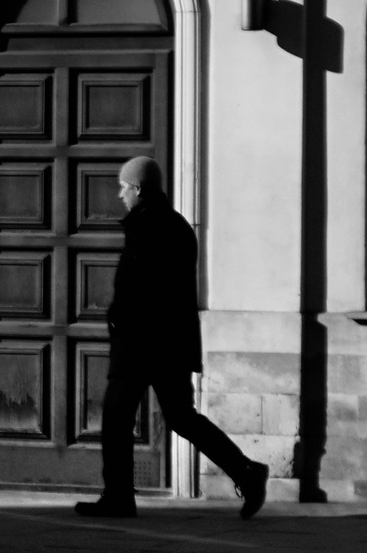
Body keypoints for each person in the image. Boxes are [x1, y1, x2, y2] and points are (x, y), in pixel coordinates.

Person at [79, 156, 269, 520]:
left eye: (124, 187)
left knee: (118, 418)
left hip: (144, 344)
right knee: (181, 418)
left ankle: (119, 497)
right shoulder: (171, 224)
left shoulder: (150, 227)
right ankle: (245, 471)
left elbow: (146, 291)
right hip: (165, 343)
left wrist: (121, 325)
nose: (120, 195)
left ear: (138, 188)